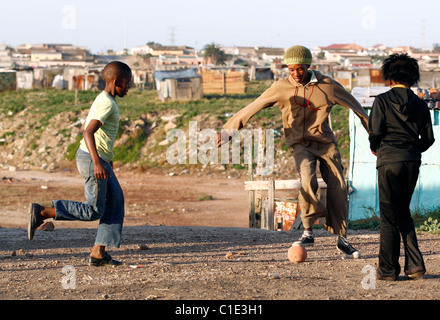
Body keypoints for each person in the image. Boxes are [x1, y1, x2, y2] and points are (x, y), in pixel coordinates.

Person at [217, 45, 369, 258]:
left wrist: (373, 136)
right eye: (291, 70)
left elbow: (357, 108)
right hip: (300, 144)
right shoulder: (281, 87)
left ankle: (342, 239)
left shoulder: (327, 86)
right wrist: (230, 129)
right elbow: (255, 105)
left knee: (339, 186)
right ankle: (308, 230)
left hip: (326, 143)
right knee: (307, 179)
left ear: (308, 66)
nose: (296, 74)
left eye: (300, 69)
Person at [28, 61, 132, 266]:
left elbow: (86, 125)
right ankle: (42, 212)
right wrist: (97, 162)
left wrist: (106, 159)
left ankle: (98, 253)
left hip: (100, 160)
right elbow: (87, 131)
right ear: (116, 81)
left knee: (116, 202)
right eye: (126, 83)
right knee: (94, 210)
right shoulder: (107, 103)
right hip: (93, 160)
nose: (128, 87)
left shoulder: (105, 99)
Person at [369, 53, 434, 280]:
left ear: (389, 78)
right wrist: (412, 149)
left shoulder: (382, 101)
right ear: (412, 78)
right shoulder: (420, 104)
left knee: (388, 216)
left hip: (388, 161)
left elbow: (375, 133)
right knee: (403, 211)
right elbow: (428, 139)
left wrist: (377, 148)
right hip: (411, 162)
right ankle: (414, 266)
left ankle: (388, 270)